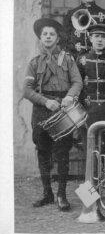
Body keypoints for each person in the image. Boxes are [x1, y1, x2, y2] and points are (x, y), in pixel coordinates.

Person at [23, 18, 83, 211]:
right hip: (41, 109)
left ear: (57, 39)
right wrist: (45, 101)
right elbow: (27, 90)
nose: (48, 37)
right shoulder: (34, 62)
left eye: (52, 34)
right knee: (43, 152)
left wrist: (69, 97)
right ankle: (47, 193)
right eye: (45, 34)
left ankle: (62, 195)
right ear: (40, 38)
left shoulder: (67, 59)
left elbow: (77, 82)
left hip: (62, 108)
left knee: (63, 153)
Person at [77, 24, 105, 126]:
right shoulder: (82, 59)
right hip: (88, 111)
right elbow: (77, 85)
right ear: (90, 38)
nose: (100, 40)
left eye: (103, 37)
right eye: (96, 36)